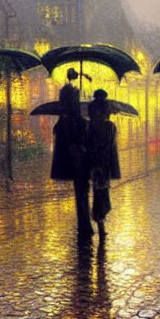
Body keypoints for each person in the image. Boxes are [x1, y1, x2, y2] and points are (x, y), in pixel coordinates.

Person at [50, 68, 91, 238]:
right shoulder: (73, 122)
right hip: (78, 161)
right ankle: (84, 223)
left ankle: (84, 223)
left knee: (81, 191)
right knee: (82, 191)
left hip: (76, 160)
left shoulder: (65, 122)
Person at [86, 89, 121, 238]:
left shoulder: (89, 126)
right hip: (104, 164)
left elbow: (86, 144)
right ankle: (100, 221)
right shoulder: (110, 127)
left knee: (98, 191)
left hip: (94, 164)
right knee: (102, 192)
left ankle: (99, 220)